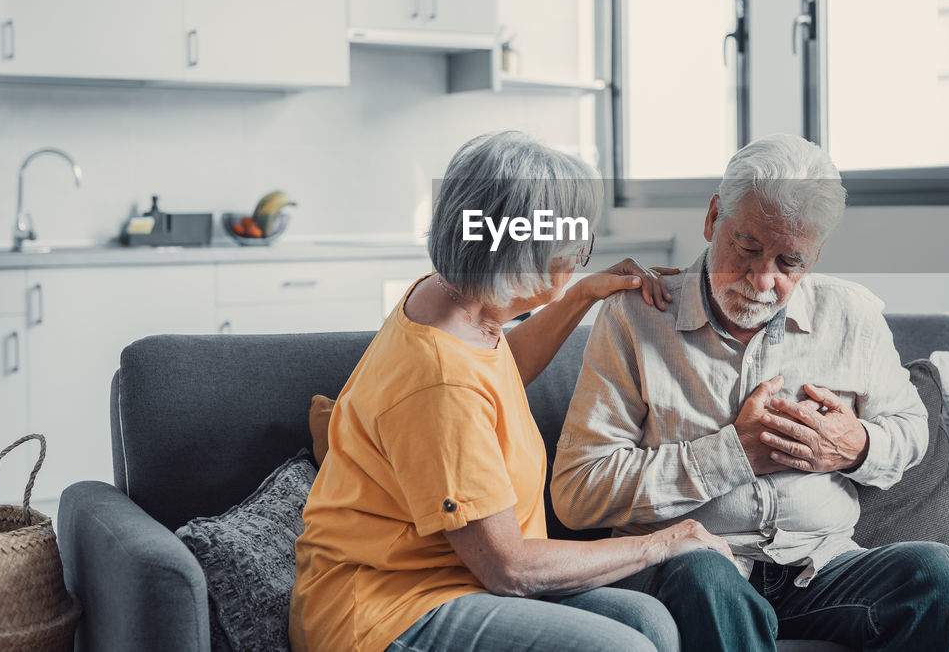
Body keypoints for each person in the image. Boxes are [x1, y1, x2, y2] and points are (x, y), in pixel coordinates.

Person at [290, 131, 731, 652]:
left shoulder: (449, 296)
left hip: (458, 579)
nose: (584, 252)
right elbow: (511, 569)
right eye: (577, 243)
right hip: (385, 610)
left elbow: (495, 379)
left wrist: (582, 292)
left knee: (648, 622)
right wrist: (663, 543)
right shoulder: (439, 379)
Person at [551, 133, 949, 652]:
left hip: (820, 565)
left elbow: (911, 430)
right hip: (696, 570)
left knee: (943, 576)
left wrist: (857, 446)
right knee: (705, 576)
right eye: (748, 249)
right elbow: (577, 493)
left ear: (816, 254)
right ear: (713, 218)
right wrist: (732, 454)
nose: (761, 281)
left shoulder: (853, 314)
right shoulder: (635, 318)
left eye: (789, 263)